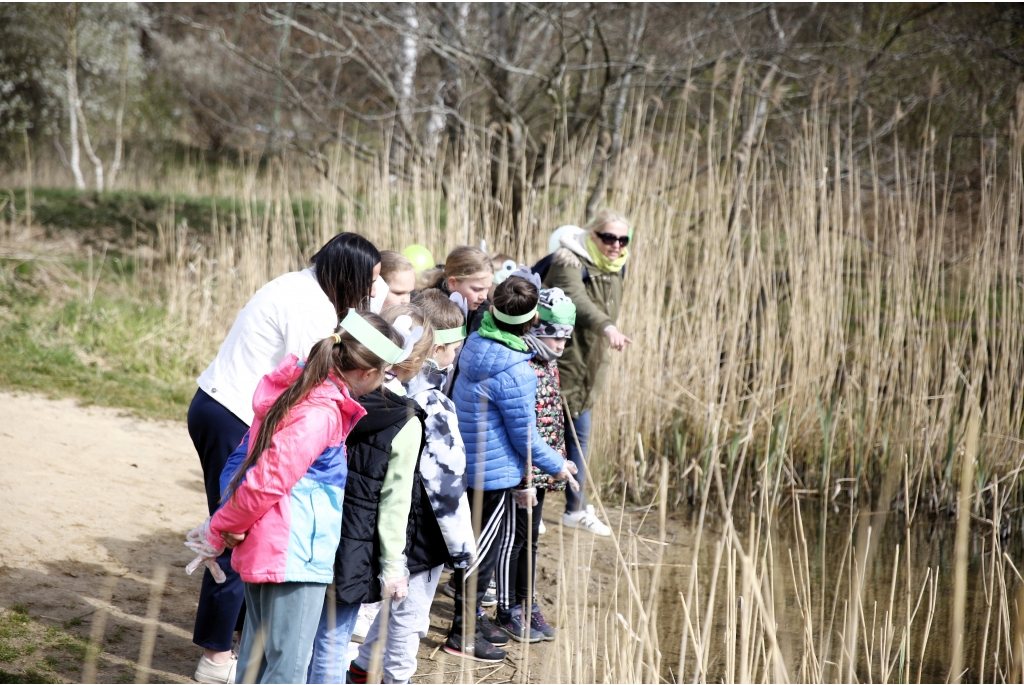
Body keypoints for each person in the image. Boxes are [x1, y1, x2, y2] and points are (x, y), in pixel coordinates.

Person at [187, 232, 382, 684]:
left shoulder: (304, 286)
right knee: (239, 528)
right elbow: (310, 375)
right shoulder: (310, 308)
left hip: (226, 405)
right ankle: (215, 657)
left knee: (243, 528)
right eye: (370, 280)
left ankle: (236, 653)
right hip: (233, 412)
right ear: (349, 273)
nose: (373, 290)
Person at [444, 271, 578, 662]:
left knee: (477, 548)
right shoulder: (515, 370)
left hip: (471, 464)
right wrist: (559, 466)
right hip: (494, 472)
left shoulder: (476, 343)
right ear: (532, 322)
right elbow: (526, 437)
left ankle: (473, 618)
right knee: (480, 555)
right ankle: (462, 634)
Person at [347, 290, 477, 684]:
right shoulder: (434, 408)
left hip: (385, 526)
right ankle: (396, 678)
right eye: (454, 348)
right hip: (422, 534)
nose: (456, 356)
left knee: (393, 610)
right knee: (411, 617)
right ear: (436, 349)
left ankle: (361, 668)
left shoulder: (374, 392)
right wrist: (463, 550)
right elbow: (447, 487)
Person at [306, 306, 433, 684]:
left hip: (301, 534)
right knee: (332, 642)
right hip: (352, 550)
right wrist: (395, 567)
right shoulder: (407, 419)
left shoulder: (313, 389)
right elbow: (396, 504)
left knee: (287, 640)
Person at [542, 210, 634, 537]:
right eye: (608, 237)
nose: (616, 245)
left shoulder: (615, 268)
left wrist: (608, 334)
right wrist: (609, 327)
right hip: (558, 362)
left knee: (579, 440)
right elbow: (579, 302)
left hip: (590, 365)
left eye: (623, 239)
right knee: (544, 437)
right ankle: (533, 507)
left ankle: (575, 509)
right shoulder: (568, 261)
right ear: (591, 235)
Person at [495, 287, 575, 643]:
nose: (560, 344)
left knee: (531, 541)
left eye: (567, 336)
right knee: (514, 541)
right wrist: (525, 477)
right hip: (523, 470)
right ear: (537, 327)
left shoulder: (548, 362)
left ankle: (527, 602)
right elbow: (522, 427)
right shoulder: (523, 361)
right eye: (555, 334)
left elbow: (550, 421)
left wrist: (557, 459)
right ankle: (507, 607)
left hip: (544, 467)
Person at [418, 246, 493, 334]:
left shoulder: (484, 312)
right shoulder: (427, 309)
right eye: (477, 289)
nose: (484, 297)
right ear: (453, 283)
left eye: (487, 289)